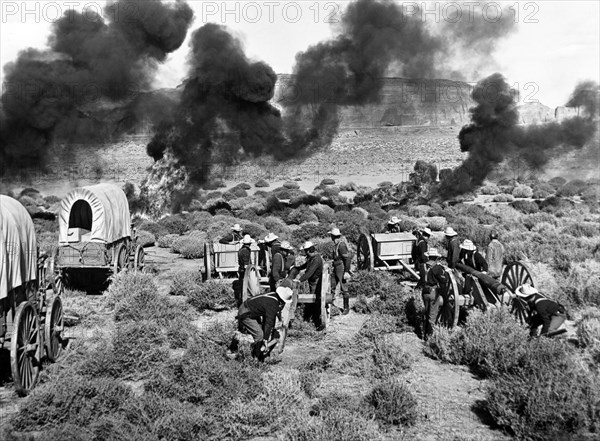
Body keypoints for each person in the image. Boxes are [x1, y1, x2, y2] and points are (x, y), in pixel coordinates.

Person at [228, 286, 294, 361]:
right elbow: (269, 322)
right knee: (259, 335)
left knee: (260, 332)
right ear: (282, 300)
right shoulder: (272, 304)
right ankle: (255, 358)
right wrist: (265, 339)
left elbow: (268, 319)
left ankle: (235, 348)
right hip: (246, 312)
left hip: (248, 308)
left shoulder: (273, 295)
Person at [291, 241, 324, 326]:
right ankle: (311, 316)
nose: (305, 252)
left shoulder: (316, 259)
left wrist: (299, 280)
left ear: (309, 250)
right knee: (313, 298)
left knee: (314, 299)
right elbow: (306, 265)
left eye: (305, 251)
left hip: (315, 281)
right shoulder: (311, 258)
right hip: (312, 281)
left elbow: (309, 273)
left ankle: (315, 318)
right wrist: (298, 268)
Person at [422, 262, 448, 340]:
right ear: (436, 258)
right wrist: (445, 272)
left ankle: (424, 334)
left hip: (425, 291)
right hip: (433, 292)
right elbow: (444, 280)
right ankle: (430, 337)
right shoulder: (437, 268)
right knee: (432, 315)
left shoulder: (423, 265)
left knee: (426, 312)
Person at [329, 228, 352, 315]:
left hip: (341, 268)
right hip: (336, 267)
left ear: (333, 236)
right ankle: (331, 304)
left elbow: (348, 258)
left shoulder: (341, 245)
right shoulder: (337, 244)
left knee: (344, 288)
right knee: (332, 286)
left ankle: (346, 308)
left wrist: (346, 271)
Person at [236, 235, 253, 306]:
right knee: (244, 287)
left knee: (242, 286)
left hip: (241, 269)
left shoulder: (242, 249)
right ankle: (244, 302)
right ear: (250, 243)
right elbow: (246, 263)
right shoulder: (246, 251)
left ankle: (241, 301)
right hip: (244, 271)